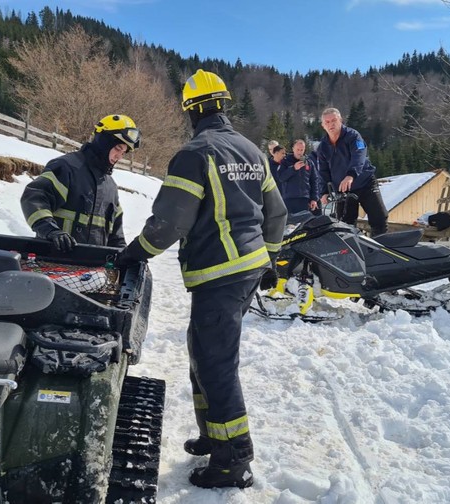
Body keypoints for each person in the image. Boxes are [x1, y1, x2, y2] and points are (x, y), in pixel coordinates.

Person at [116, 69, 287, 489]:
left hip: (220, 273)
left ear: (190, 109)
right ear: (223, 104)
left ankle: (234, 460)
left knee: (215, 362)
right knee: (203, 351)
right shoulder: (252, 151)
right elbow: (277, 214)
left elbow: (170, 221)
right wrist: (271, 261)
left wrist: (134, 254)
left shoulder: (195, 154)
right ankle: (214, 435)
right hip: (247, 268)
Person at [21, 114, 140, 251]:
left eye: (123, 152)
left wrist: (127, 258)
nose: (119, 156)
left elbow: (116, 238)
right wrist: (50, 231)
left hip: (91, 269)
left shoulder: (110, 187)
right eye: (118, 148)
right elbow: (34, 198)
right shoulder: (67, 167)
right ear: (104, 143)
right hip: (52, 260)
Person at [316, 107, 388, 236]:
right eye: (327, 122)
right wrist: (324, 191)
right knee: (344, 225)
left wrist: (351, 175)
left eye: (334, 120)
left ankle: (381, 251)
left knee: (380, 218)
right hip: (344, 190)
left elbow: (359, 156)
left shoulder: (353, 136)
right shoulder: (323, 147)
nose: (331, 124)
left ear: (341, 120)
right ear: (323, 126)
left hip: (365, 183)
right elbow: (323, 170)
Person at [277, 138, 321, 215]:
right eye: (298, 149)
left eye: (302, 150)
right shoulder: (285, 161)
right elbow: (281, 177)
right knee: (290, 225)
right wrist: (293, 168)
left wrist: (314, 199)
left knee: (304, 223)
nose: (299, 152)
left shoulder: (309, 162)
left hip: (304, 199)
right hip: (289, 199)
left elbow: (314, 181)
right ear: (293, 149)